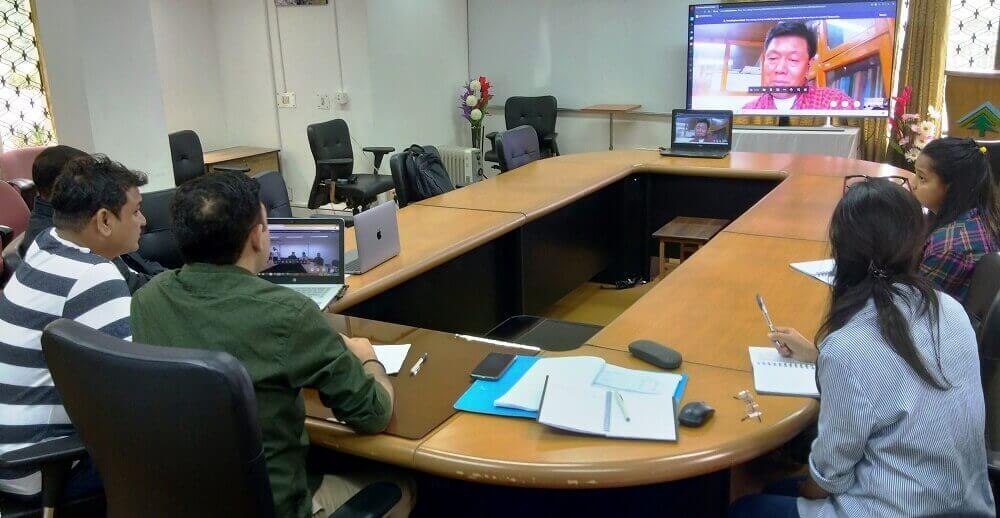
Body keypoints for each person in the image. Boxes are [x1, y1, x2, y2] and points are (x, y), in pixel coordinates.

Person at [130, 172, 414, 518]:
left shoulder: (147, 299)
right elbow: (373, 414)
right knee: (406, 486)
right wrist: (369, 360)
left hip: (181, 502)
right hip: (276, 507)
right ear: (256, 237)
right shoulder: (289, 314)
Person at [731, 178, 994, 517]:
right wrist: (819, 356)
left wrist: (803, 488)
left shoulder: (848, 347)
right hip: (965, 505)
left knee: (747, 506)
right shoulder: (950, 309)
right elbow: (893, 372)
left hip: (898, 508)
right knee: (775, 489)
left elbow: (828, 479)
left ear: (841, 252)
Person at [0, 155, 148, 501]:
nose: (143, 220)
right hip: (41, 467)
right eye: (136, 211)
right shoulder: (93, 275)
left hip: (11, 452)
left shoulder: (46, 243)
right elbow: (133, 391)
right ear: (105, 220)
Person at [18, 145, 164, 292]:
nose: (99, 181)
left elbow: (140, 264)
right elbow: (127, 286)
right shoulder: (65, 236)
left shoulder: (84, 215)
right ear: (65, 185)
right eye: (89, 176)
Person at [912, 137, 1000, 303]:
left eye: (922, 178)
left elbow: (916, 303)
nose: (913, 184)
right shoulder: (978, 212)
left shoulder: (949, 248)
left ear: (952, 186)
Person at [742, 21, 856, 111]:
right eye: (772, 58)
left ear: (809, 66)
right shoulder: (748, 111)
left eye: (793, 59)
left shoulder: (834, 103)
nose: (780, 69)